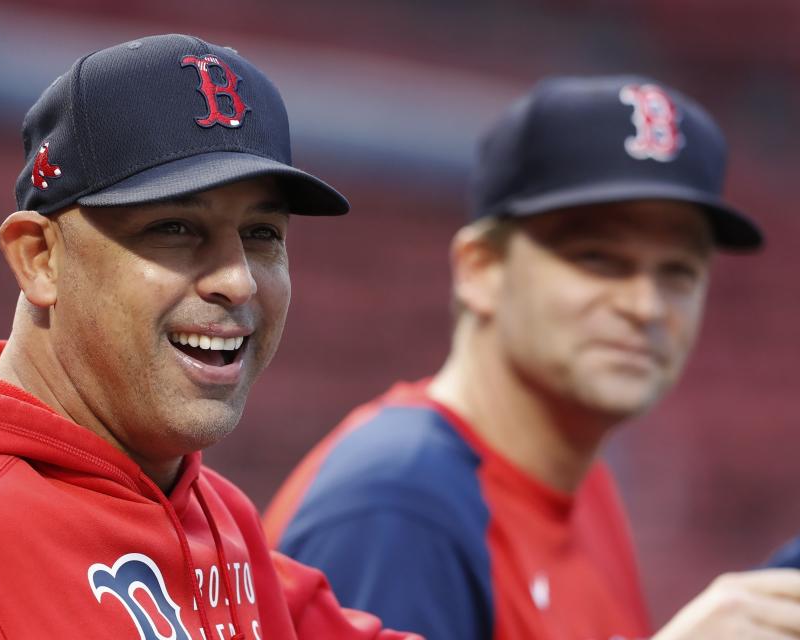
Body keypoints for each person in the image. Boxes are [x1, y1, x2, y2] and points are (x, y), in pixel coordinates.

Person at [0, 34, 421, 640]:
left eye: (262, 233)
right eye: (174, 226)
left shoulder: (212, 516)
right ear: (39, 258)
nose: (238, 280)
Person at [264, 75, 800, 639]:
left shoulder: (583, 484)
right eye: (598, 259)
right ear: (479, 269)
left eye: (679, 272)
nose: (645, 306)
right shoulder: (399, 504)